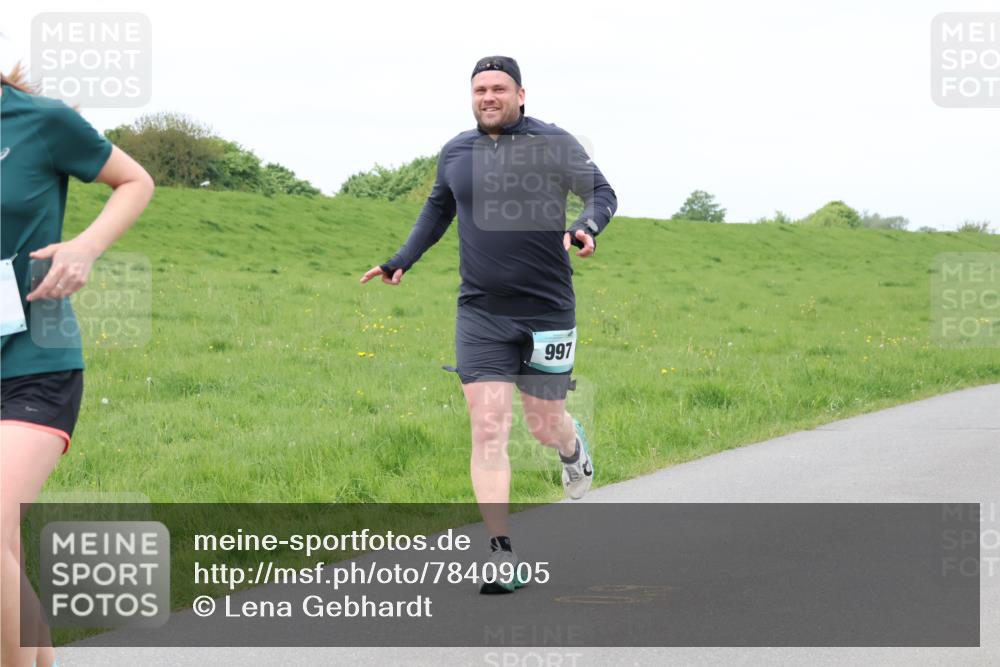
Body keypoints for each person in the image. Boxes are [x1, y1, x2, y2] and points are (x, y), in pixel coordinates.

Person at [361, 56, 616, 593]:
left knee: (544, 425)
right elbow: (438, 210)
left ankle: (572, 448)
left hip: (547, 311)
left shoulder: (553, 143)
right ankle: (501, 553)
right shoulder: (457, 152)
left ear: (521, 94)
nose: (489, 97)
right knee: (488, 427)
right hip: (480, 312)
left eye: (499, 88)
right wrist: (401, 259)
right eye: (480, 90)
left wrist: (586, 226)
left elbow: (602, 192)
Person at [0, 65, 155, 667]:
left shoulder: (40, 121)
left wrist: (86, 246)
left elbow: (135, 180)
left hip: (36, 360)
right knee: (6, 551)